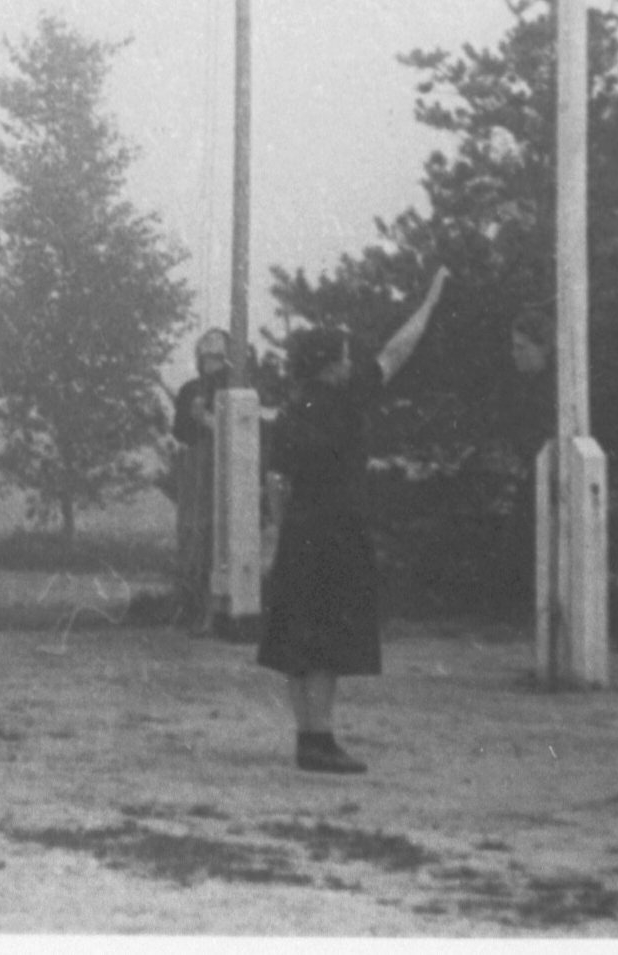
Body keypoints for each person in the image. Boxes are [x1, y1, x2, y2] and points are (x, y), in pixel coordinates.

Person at [257, 269, 449, 775]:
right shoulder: (345, 399)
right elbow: (396, 352)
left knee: (300, 639)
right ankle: (321, 742)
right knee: (326, 643)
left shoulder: (293, 412)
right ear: (329, 365)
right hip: (338, 532)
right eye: (342, 354)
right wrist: (429, 303)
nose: (349, 360)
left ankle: (308, 739)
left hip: (300, 532)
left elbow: (275, 483)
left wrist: (281, 531)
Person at [167, 330, 233, 635]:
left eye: (218, 356)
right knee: (192, 538)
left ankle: (212, 614)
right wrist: (193, 417)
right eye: (207, 355)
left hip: (226, 471)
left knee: (215, 541)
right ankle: (190, 610)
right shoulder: (189, 389)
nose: (212, 362)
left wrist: (205, 418)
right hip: (196, 469)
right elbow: (180, 431)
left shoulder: (235, 387)